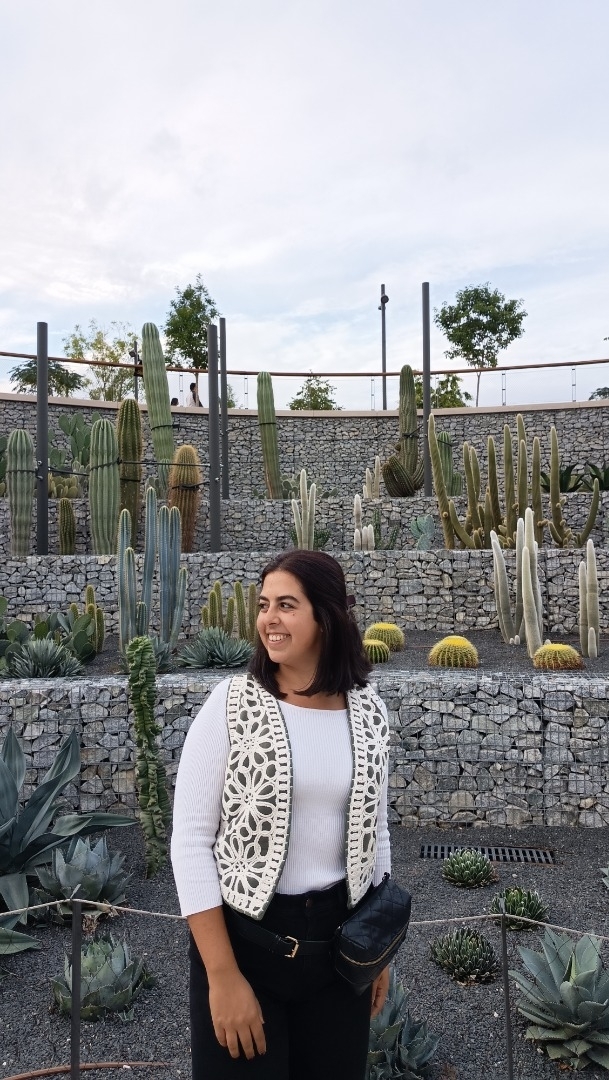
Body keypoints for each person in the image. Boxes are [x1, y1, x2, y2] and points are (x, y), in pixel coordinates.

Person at [171, 549, 392, 1080]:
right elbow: (191, 842)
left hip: (340, 954)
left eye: (287, 605)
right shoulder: (230, 705)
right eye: (264, 604)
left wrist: (377, 951)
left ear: (326, 616)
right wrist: (222, 976)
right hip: (246, 947)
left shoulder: (369, 708)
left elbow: (377, 833)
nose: (269, 618)